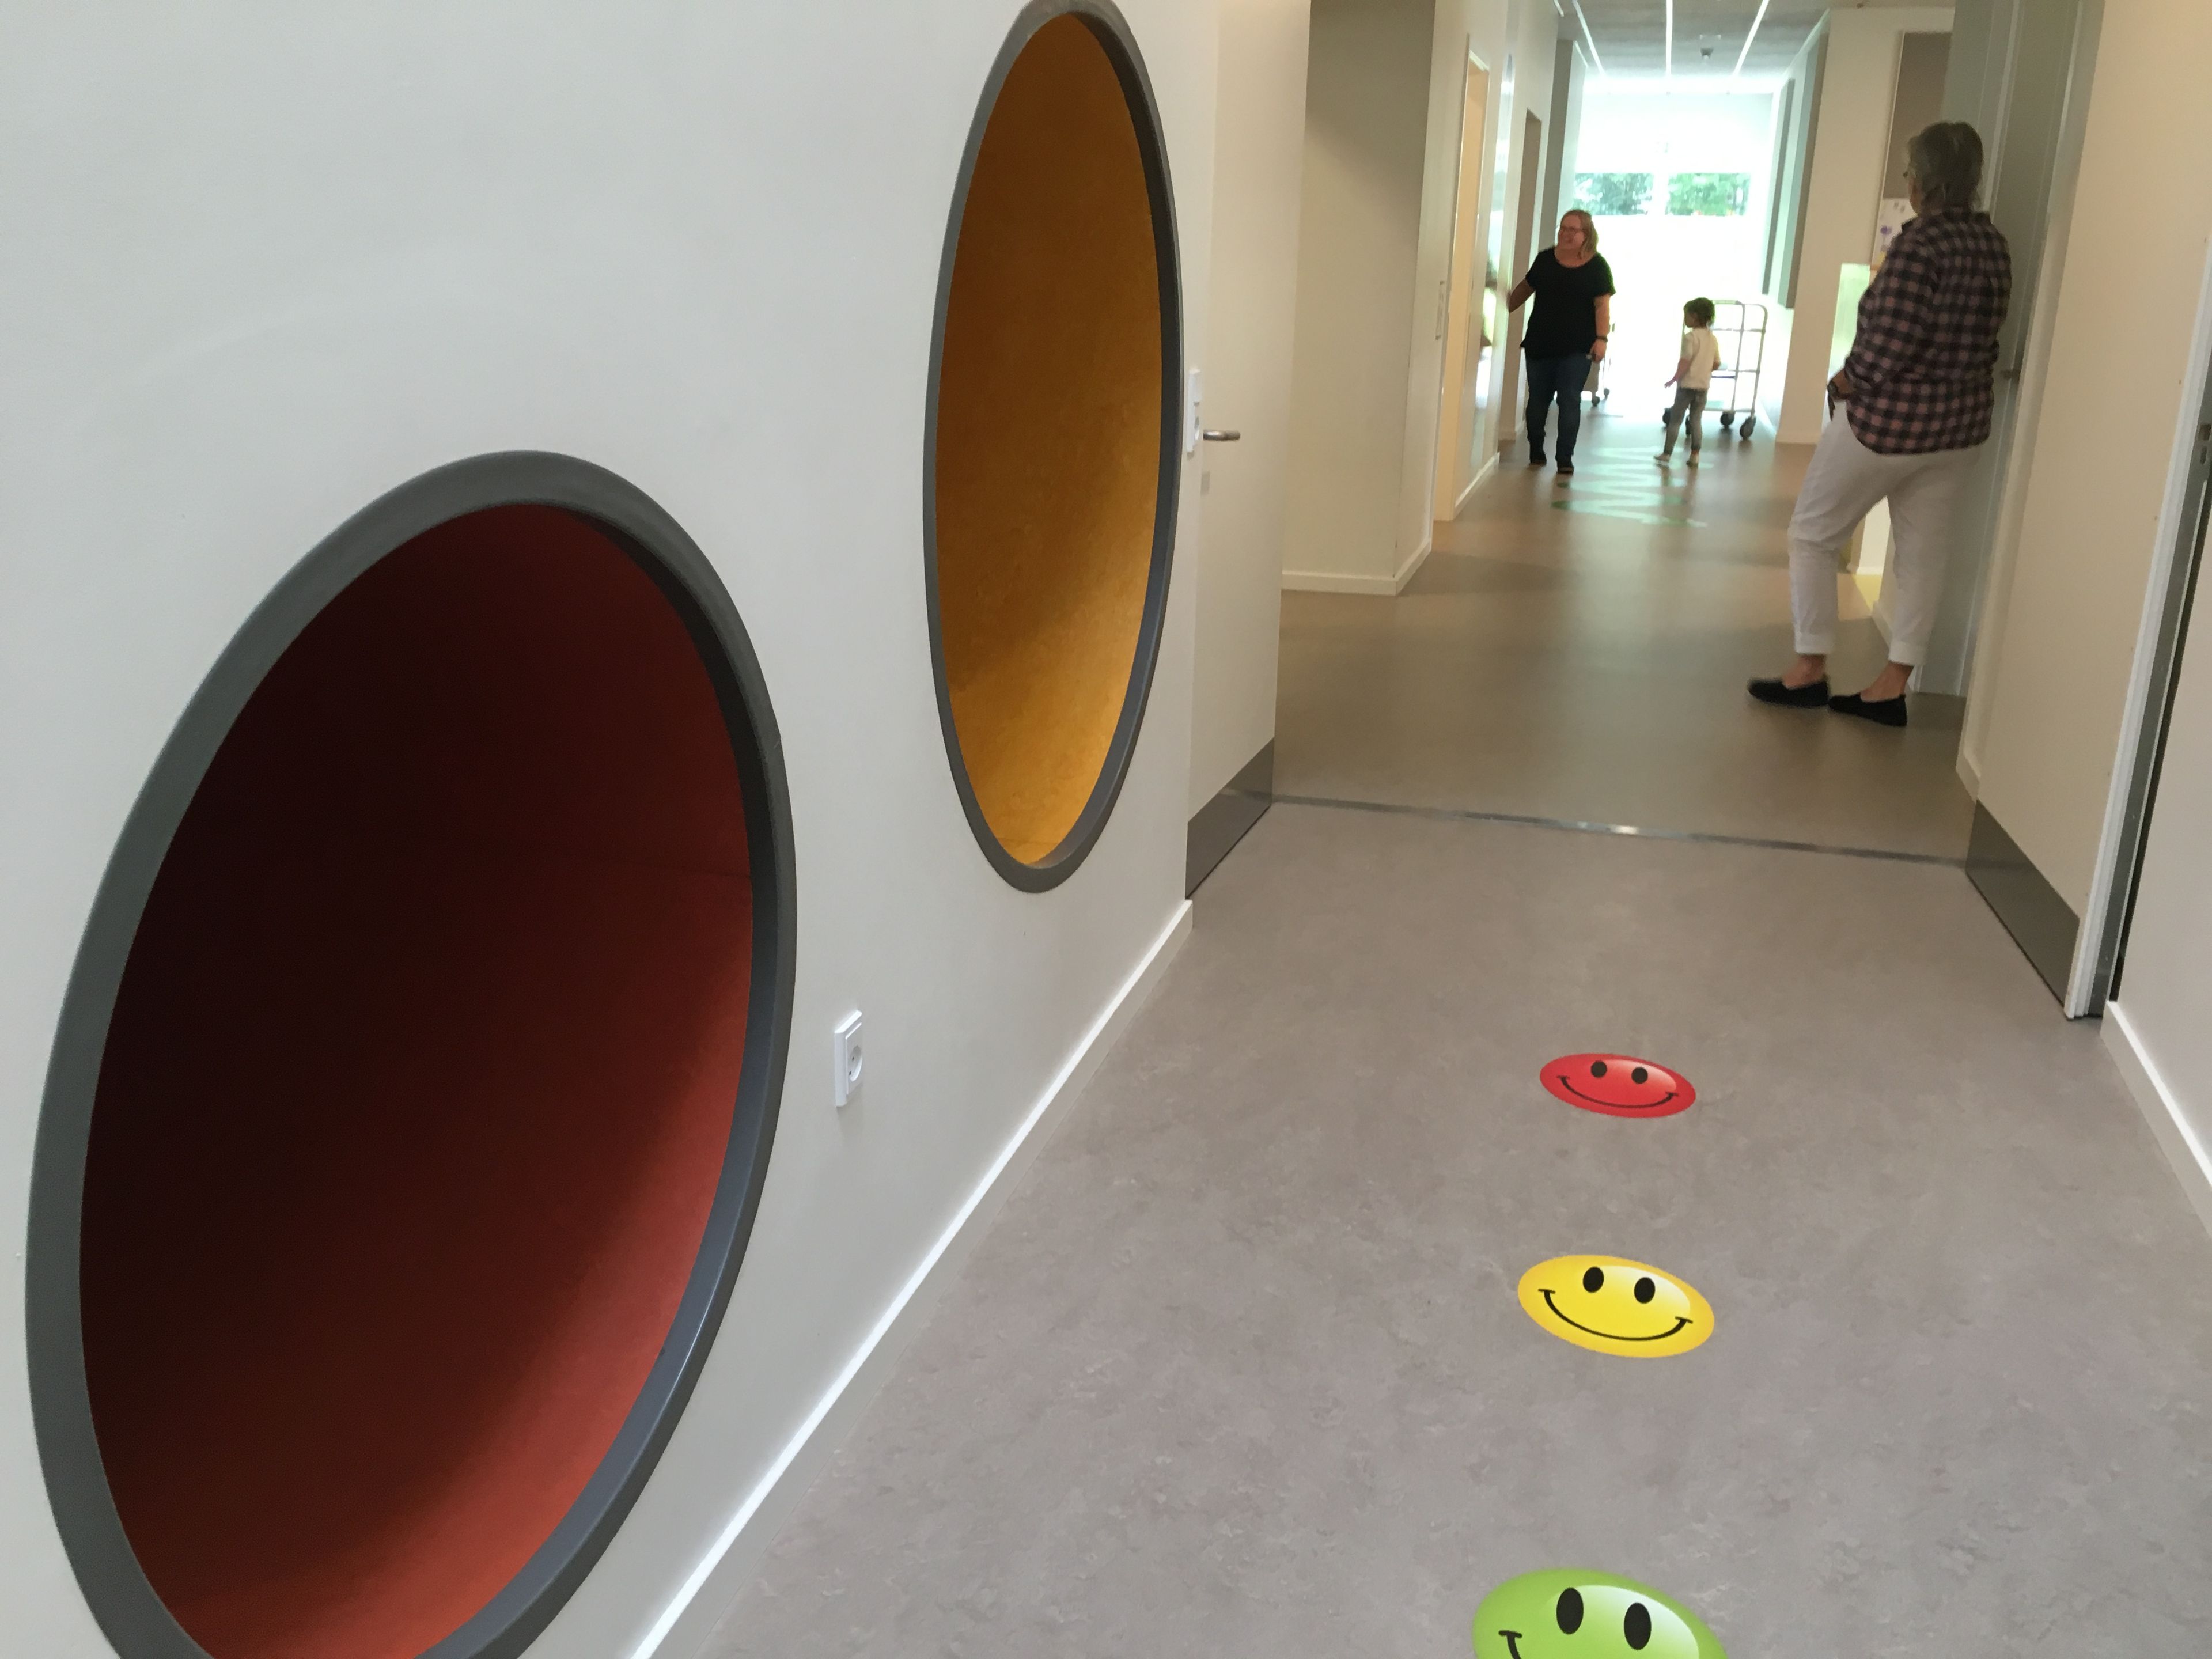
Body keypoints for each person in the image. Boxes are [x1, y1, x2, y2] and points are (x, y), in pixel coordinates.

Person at [1749, 122, 2010, 727]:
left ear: (1924, 183)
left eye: (1910, 174)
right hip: (1959, 429)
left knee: (1812, 534)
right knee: (1922, 555)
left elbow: (1888, 343)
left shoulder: (1920, 245)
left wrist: (1844, 383)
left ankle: (1809, 669)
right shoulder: (1991, 242)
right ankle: (1892, 685)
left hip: (1888, 426)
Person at [1506, 209, 1614, 480]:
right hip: (1540, 343)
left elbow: (1602, 306)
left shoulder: (1598, 267)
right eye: (1563, 228)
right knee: (1538, 401)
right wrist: (1503, 305)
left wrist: (1601, 340)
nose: (1565, 234)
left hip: (1577, 348)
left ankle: (1565, 458)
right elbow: (1525, 288)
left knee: (1569, 400)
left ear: (1586, 234)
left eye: (1572, 230)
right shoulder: (1545, 260)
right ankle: (1536, 451)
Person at [1657, 298, 1721, 467]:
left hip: (1687, 386)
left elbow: (1686, 360)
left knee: (1676, 420)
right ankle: (1695, 455)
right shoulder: (1712, 339)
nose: (1685, 319)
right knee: (1696, 421)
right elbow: (1717, 363)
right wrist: (1704, 371)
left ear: (1694, 316)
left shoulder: (1690, 337)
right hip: (1703, 386)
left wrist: (1675, 378)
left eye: (1686, 316)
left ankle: (1667, 454)